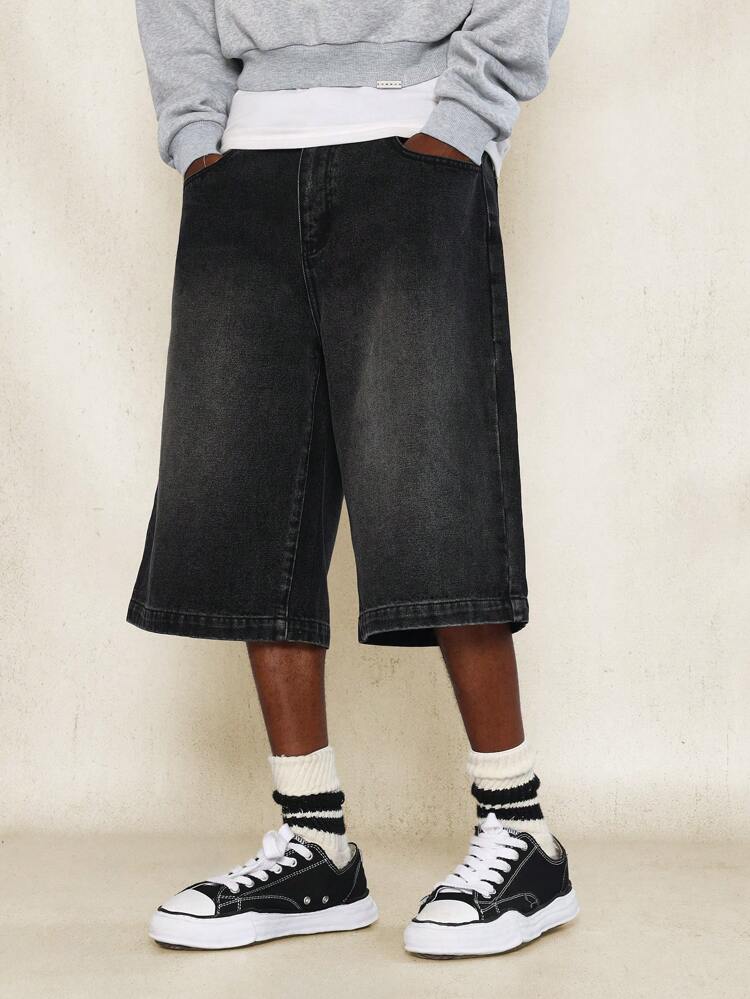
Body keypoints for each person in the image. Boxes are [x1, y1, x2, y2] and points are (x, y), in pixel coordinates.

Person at [130, 0, 577, 958]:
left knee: (432, 478)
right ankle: (315, 841)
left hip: (413, 138)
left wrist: (461, 120)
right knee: (250, 494)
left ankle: (522, 828)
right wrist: (200, 137)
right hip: (245, 158)